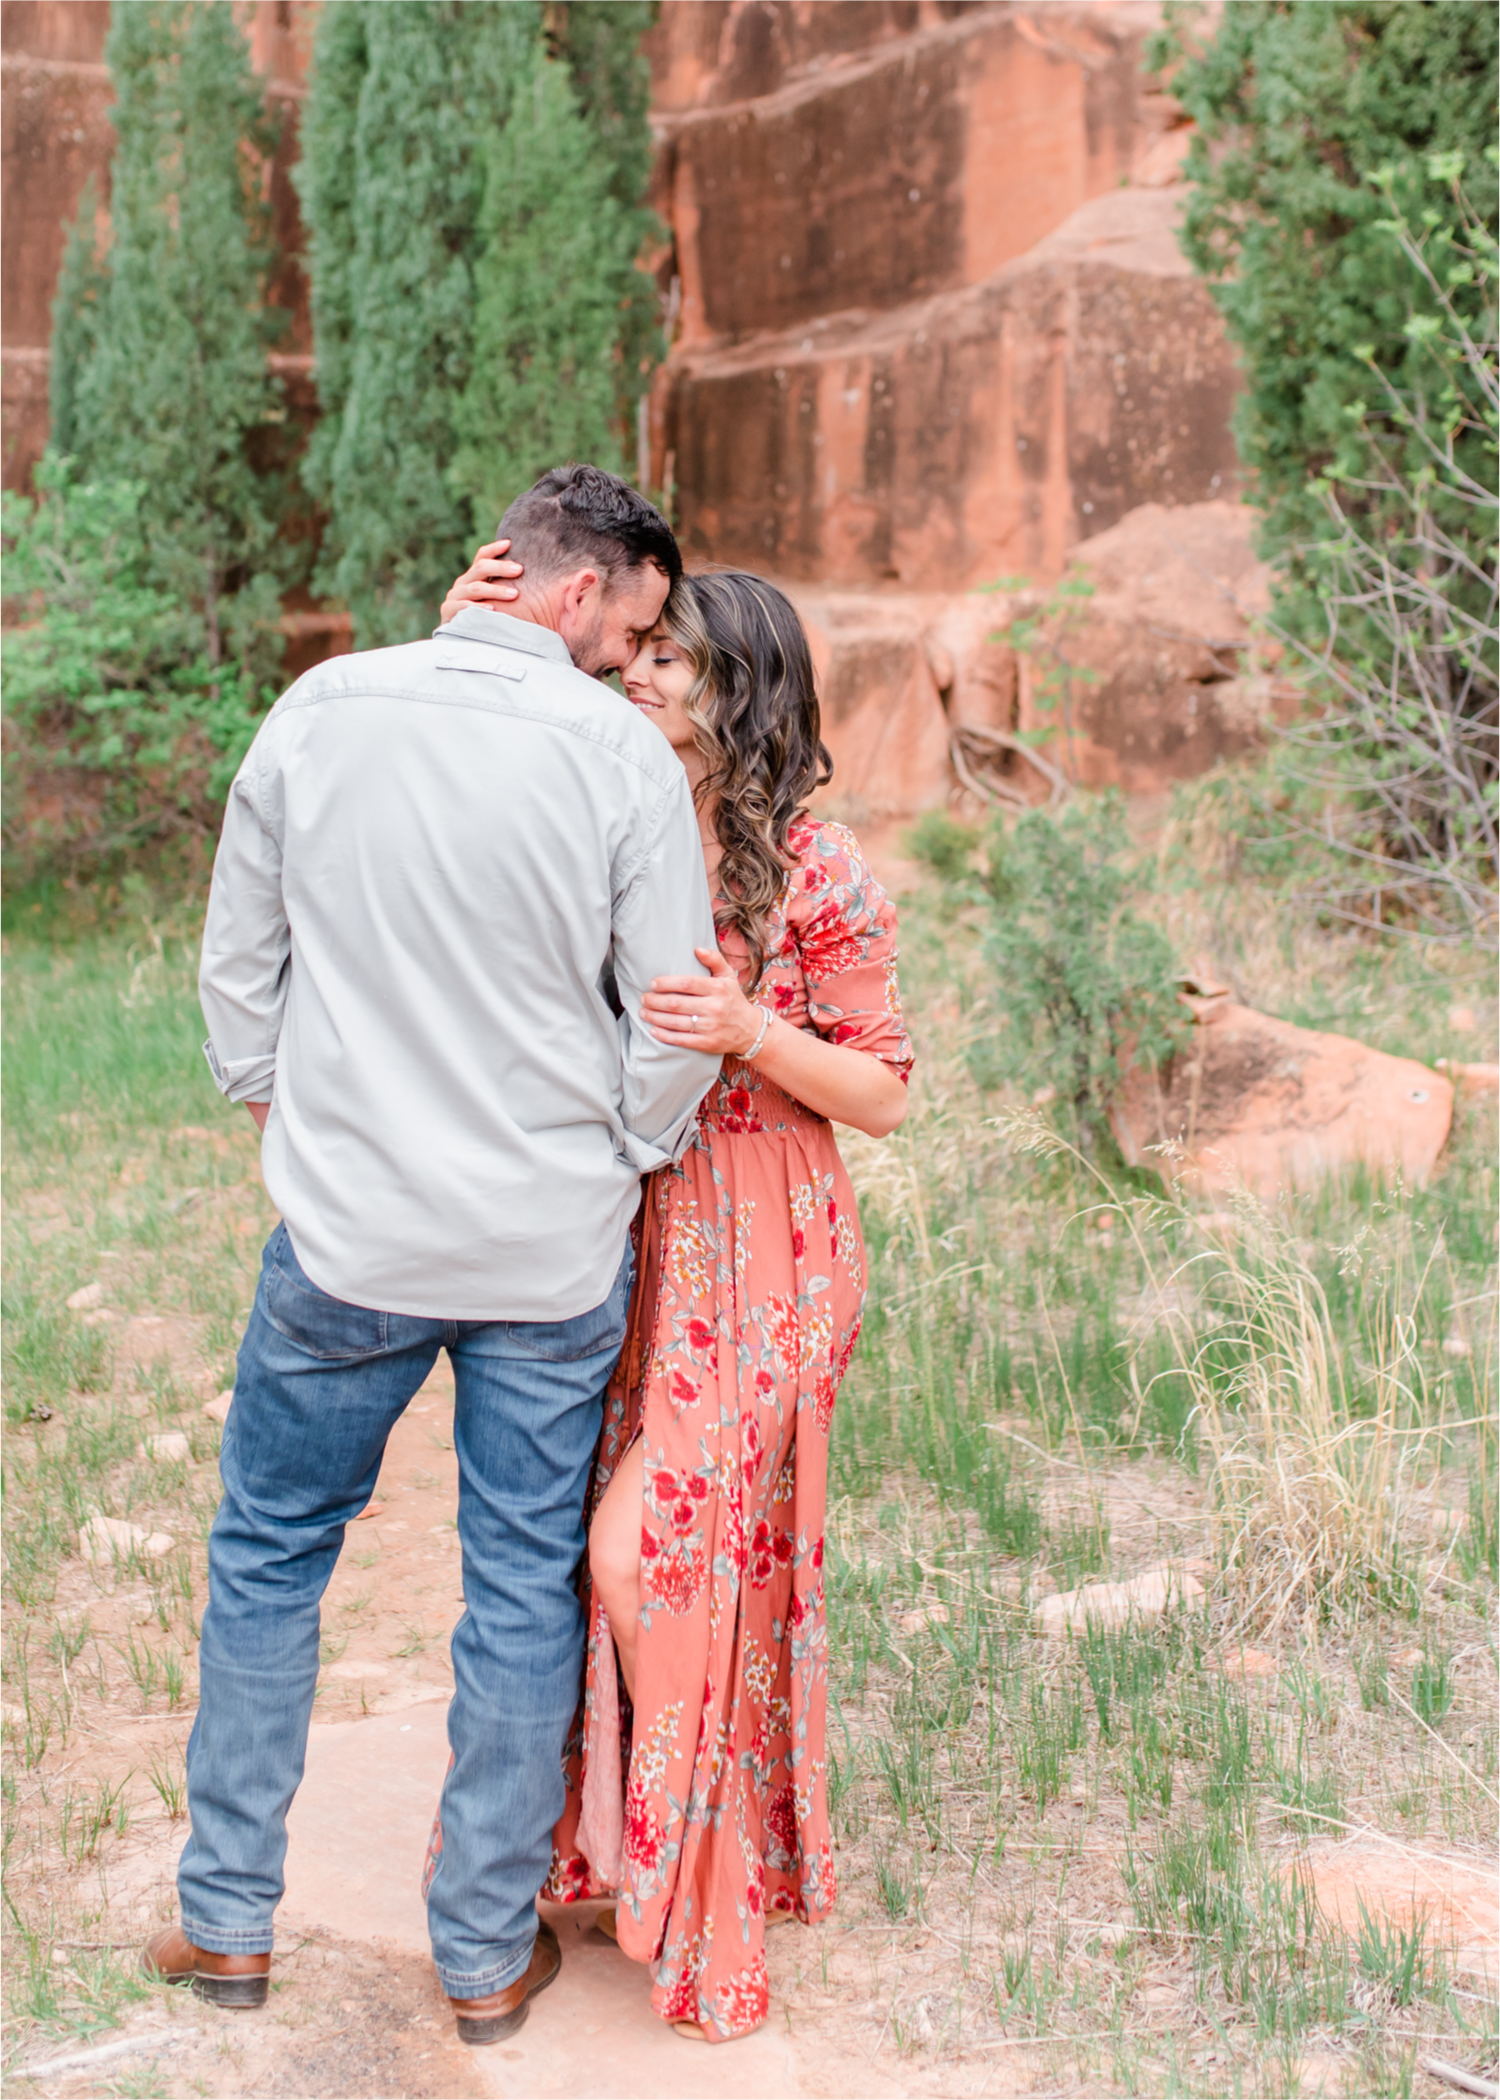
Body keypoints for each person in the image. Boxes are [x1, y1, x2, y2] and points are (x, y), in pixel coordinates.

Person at [145, 466, 722, 2047]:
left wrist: (282, 1113)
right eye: (633, 626)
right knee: (520, 1580)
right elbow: (675, 1012)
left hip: (350, 1233)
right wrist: (616, 1146)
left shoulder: (325, 707)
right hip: (546, 1252)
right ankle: (480, 1955)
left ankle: (226, 1925)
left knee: (270, 1551)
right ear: (576, 593)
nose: (627, 662)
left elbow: (237, 959)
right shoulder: (615, 756)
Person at [437, 548, 913, 2041]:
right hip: (628, 1242)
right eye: (640, 656)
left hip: (768, 1242)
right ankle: (674, 1839)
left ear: (742, 690)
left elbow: (887, 1095)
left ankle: (696, 1879)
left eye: (678, 662)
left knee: (650, 1558)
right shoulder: (615, 815)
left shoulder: (817, 864)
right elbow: (471, 742)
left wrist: (752, 1028)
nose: (640, 673)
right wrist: (465, 628)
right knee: (679, 1566)